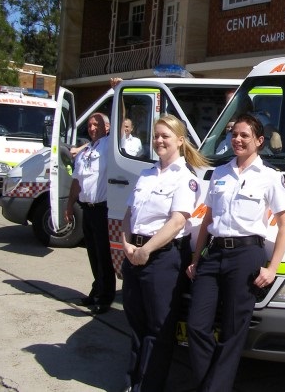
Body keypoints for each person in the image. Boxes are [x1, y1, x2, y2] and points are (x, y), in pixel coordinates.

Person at [186, 113, 285, 392]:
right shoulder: (220, 172)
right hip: (214, 254)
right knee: (197, 325)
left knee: (233, 332)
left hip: (246, 256)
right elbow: (208, 220)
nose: (237, 139)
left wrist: (273, 268)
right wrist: (196, 259)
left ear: (259, 141)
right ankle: (211, 383)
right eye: (234, 134)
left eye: (245, 135)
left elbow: (284, 225)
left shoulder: (269, 177)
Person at [120, 114, 207, 391]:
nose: (158, 140)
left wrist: (146, 249)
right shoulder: (146, 174)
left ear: (180, 141)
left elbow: (178, 221)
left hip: (162, 258)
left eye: (165, 136)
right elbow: (128, 214)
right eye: (156, 135)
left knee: (158, 330)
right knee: (136, 324)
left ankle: (149, 385)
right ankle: (133, 381)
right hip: (134, 254)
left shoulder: (185, 178)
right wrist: (126, 245)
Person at [66, 112, 116, 315]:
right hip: (86, 208)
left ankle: (105, 297)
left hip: (102, 208)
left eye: (97, 124)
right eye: (89, 124)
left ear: (107, 127)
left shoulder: (108, 146)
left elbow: (119, 123)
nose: (92, 127)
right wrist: (69, 205)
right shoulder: (86, 150)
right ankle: (96, 290)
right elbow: (77, 181)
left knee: (104, 255)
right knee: (93, 254)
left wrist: (117, 92)